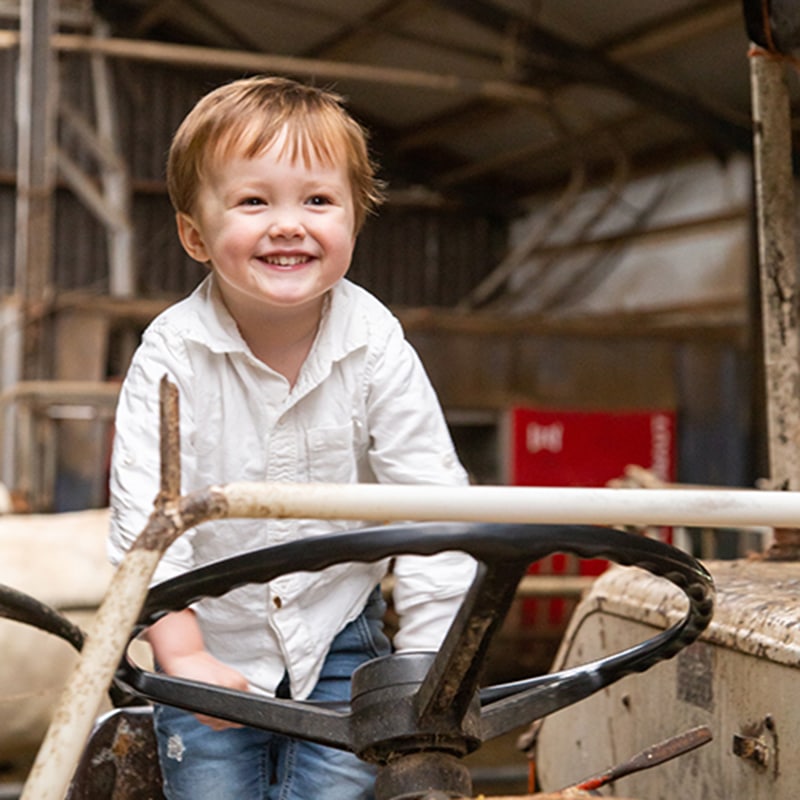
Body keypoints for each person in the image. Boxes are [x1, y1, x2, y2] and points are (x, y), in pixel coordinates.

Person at [107, 75, 476, 800]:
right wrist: (178, 649)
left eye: (317, 200)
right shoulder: (171, 356)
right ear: (194, 235)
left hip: (340, 631)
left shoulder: (376, 345)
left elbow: (432, 502)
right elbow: (146, 514)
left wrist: (432, 665)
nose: (288, 223)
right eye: (253, 200)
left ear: (353, 221)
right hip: (207, 634)